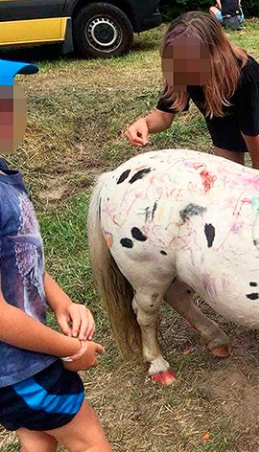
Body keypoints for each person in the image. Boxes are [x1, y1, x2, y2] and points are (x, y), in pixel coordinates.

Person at [0, 60, 111, 450]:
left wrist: (61, 301)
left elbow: (19, 257)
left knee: (36, 434)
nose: (15, 109)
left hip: (21, 366)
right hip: (18, 368)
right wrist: (73, 349)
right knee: (88, 435)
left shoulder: (3, 174)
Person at [124, 11, 259, 172]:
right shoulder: (179, 68)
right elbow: (164, 116)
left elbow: (251, 132)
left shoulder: (243, 74)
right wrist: (144, 123)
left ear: (213, 55)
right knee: (228, 182)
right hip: (221, 121)